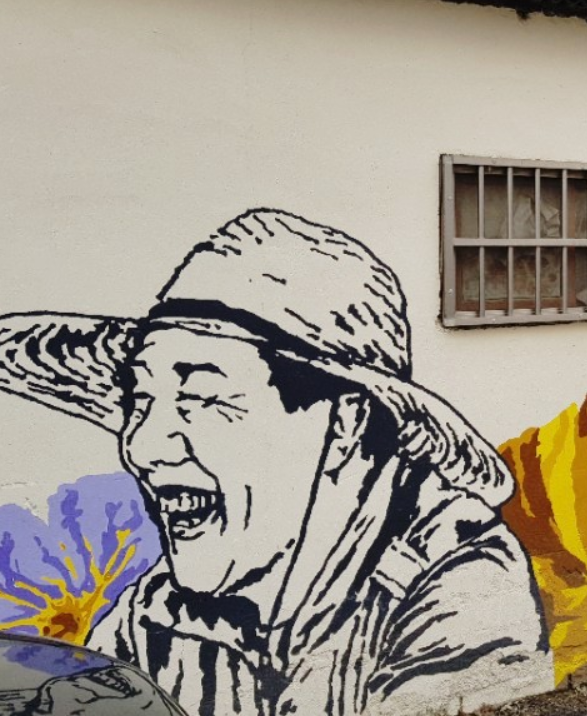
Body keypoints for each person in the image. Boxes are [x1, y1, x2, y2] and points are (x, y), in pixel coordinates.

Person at [0, 209, 552, 716]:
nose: (143, 446)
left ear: (346, 422)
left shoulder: (453, 583)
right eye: (142, 400)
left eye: (202, 396)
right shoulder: (156, 611)